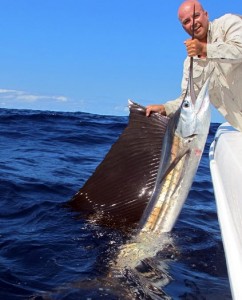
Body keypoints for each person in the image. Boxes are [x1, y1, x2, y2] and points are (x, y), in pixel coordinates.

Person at [146, 0, 242, 132]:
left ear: (206, 15)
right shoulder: (189, 63)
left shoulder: (228, 23)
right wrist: (165, 108)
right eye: (186, 21)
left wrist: (205, 49)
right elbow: (188, 101)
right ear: (183, 27)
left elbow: (239, 50)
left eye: (196, 16)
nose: (193, 23)